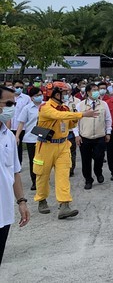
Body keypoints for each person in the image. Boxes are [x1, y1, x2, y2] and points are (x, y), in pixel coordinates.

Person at [34, 81, 97, 218]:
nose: (67, 95)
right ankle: (42, 199)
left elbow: (68, 125)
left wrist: (74, 118)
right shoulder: (45, 107)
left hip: (63, 145)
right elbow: (58, 116)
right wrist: (81, 114)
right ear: (56, 94)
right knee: (42, 175)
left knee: (63, 176)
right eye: (64, 93)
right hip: (46, 146)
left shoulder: (65, 108)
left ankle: (64, 205)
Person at [0, 86, 30, 266]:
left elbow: (14, 172)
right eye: (8, 103)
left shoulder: (9, 137)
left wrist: (22, 202)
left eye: (14, 104)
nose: (12, 108)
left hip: (3, 214)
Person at [75, 84, 112, 190]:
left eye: (97, 90)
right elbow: (75, 122)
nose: (97, 92)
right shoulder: (81, 105)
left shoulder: (104, 104)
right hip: (85, 136)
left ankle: (98, 172)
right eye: (94, 90)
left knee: (99, 157)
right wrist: (77, 135)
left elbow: (108, 119)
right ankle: (88, 179)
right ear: (88, 92)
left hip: (100, 136)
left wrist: (108, 132)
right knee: (86, 160)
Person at [15, 87, 44, 190]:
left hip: (45, 138)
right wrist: (17, 136)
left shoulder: (46, 106)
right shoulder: (27, 108)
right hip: (31, 138)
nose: (40, 97)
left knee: (44, 160)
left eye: (40, 94)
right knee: (33, 161)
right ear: (31, 98)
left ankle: (43, 179)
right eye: (37, 95)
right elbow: (21, 123)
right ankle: (34, 181)